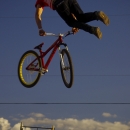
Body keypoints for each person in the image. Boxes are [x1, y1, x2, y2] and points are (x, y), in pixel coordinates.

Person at [35, 0, 110, 39]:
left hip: (58, 2)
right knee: (81, 17)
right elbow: (71, 12)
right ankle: (97, 14)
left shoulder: (40, 1)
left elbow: (38, 14)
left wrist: (40, 29)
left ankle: (92, 29)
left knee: (70, 22)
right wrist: (76, 25)